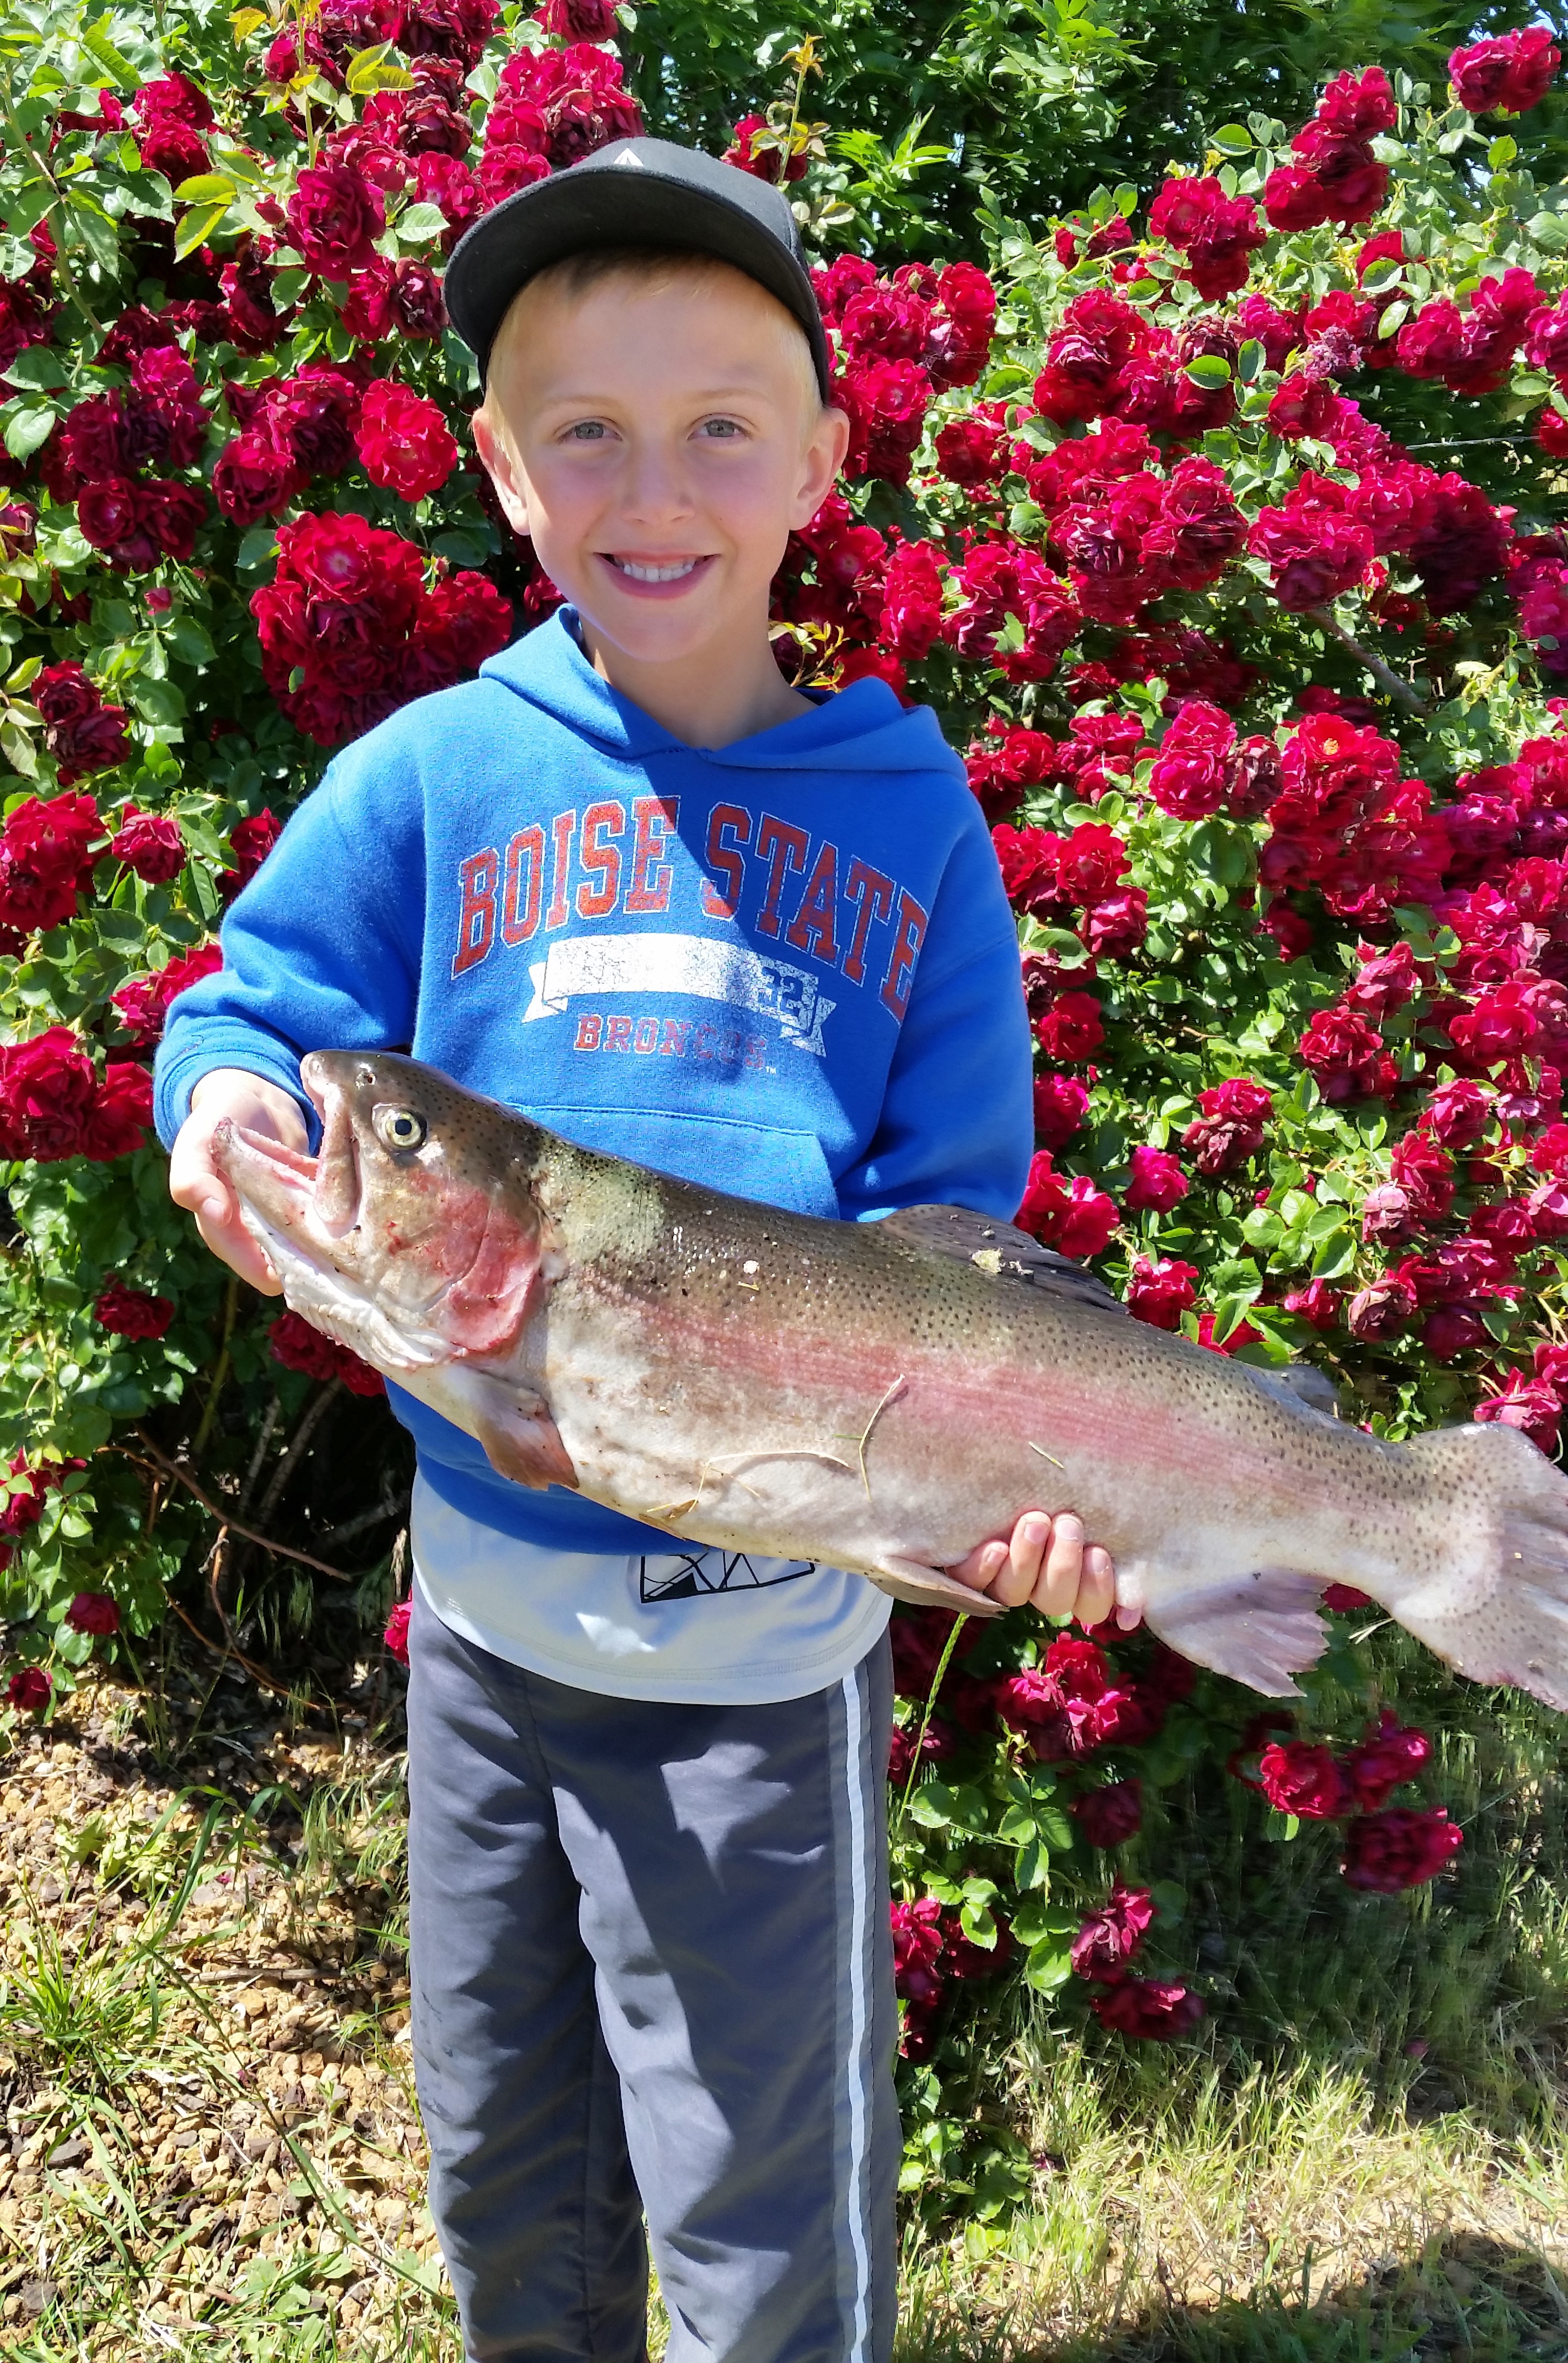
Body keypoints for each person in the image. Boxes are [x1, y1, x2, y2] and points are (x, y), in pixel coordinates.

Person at [157, 140, 1131, 2363]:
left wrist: (1017, 1516)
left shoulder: (914, 811)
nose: (649, 480)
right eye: (581, 426)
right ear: (500, 467)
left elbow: (957, 1235)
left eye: (714, 421)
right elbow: (253, 1002)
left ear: (821, 456)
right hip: (485, 1655)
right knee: (512, 2185)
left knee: (764, 2231)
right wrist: (219, 1094)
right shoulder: (431, 775)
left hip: (760, 1693)